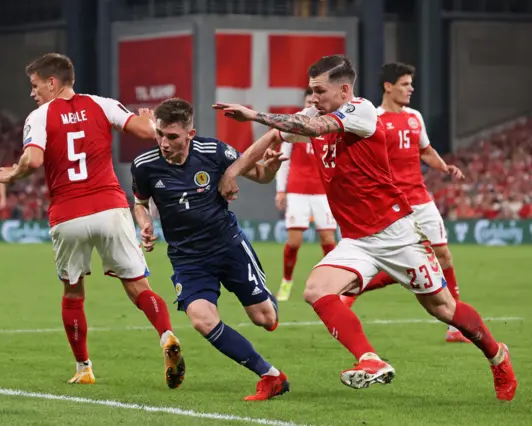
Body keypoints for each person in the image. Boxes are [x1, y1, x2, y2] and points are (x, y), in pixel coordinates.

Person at [212, 54, 517, 401]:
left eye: (319, 91)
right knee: (315, 290)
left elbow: (313, 128)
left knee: (443, 309)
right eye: (311, 91)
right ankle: (369, 359)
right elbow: (273, 137)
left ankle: (498, 356)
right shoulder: (316, 113)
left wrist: (253, 113)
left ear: (343, 90)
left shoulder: (362, 111)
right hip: (357, 239)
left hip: (396, 231)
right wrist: (232, 173)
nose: (313, 99)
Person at [0, 53, 185, 388]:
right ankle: (167, 335)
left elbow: (34, 159)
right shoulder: (102, 104)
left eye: (35, 85)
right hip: (110, 207)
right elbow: (144, 130)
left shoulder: (39, 117)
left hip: (68, 215)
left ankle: (84, 367)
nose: (32, 92)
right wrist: (148, 119)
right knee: (138, 286)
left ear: (52, 83)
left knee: (73, 292)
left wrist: (14, 172)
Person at [131, 98, 289, 401]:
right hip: (187, 258)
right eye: (160, 134)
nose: (164, 143)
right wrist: (144, 223)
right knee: (202, 319)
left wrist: (269, 170)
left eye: (173, 136)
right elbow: (140, 203)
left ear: (190, 134)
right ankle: (271, 376)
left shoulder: (214, 152)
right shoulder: (144, 165)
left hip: (227, 246)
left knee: (265, 319)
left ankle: (264, 298)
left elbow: (259, 175)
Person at [340, 62, 469, 343]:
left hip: (421, 199)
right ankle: (347, 294)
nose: (411, 89)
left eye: (411, 84)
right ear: (389, 87)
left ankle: (455, 327)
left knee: (443, 255)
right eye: (405, 84)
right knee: (393, 263)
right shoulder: (371, 118)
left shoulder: (415, 118)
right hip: (391, 204)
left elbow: (425, 150)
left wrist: (444, 167)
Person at [275, 87, 337, 301]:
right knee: (294, 242)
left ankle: (332, 283)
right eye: (309, 101)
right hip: (298, 190)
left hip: (323, 192)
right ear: (305, 104)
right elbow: (284, 161)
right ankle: (287, 281)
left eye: (316, 100)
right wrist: (281, 190)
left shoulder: (330, 125)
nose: (313, 104)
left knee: (328, 239)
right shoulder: (297, 125)